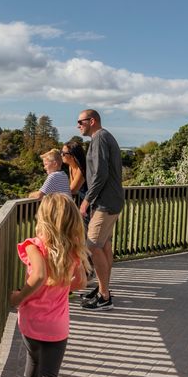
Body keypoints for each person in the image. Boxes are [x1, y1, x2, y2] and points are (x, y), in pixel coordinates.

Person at [10, 194, 90, 377]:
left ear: (43, 218)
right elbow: (80, 282)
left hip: (31, 320)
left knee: (33, 361)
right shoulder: (72, 250)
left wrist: (18, 298)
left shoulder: (34, 246)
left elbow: (39, 275)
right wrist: (62, 286)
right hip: (57, 325)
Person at [76, 109, 124, 311]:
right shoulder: (104, 137)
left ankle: (105, 296)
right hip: (111, 201)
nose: (78, 125)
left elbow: (101, 174)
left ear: (92, 121)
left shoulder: (100, 138)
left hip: (105, 202)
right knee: (103, 247)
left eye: (80, 121)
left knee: (93, 246)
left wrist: (87, 200)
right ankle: (104, 289)